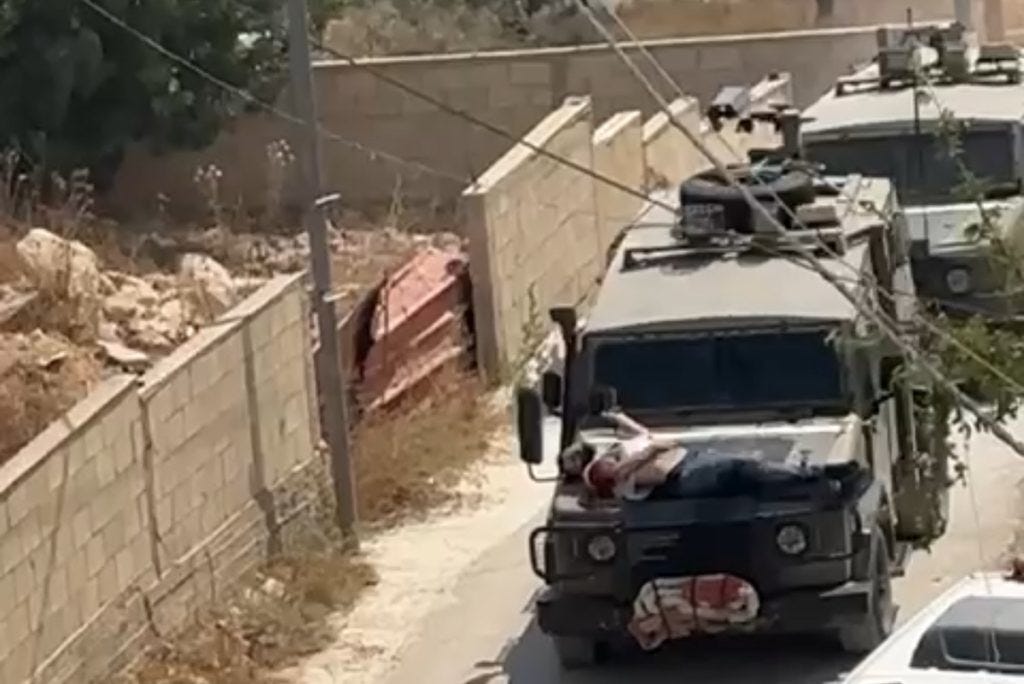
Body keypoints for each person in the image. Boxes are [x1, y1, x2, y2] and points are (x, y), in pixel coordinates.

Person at [582, 409, 687, 501]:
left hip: (682, 453)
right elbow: (659, 475)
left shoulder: (623, 451)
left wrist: (618, 417)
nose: (610, 461)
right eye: (607, 466)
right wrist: (652, 450)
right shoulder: (628, 483)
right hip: (681, 470)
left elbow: (644, 434)